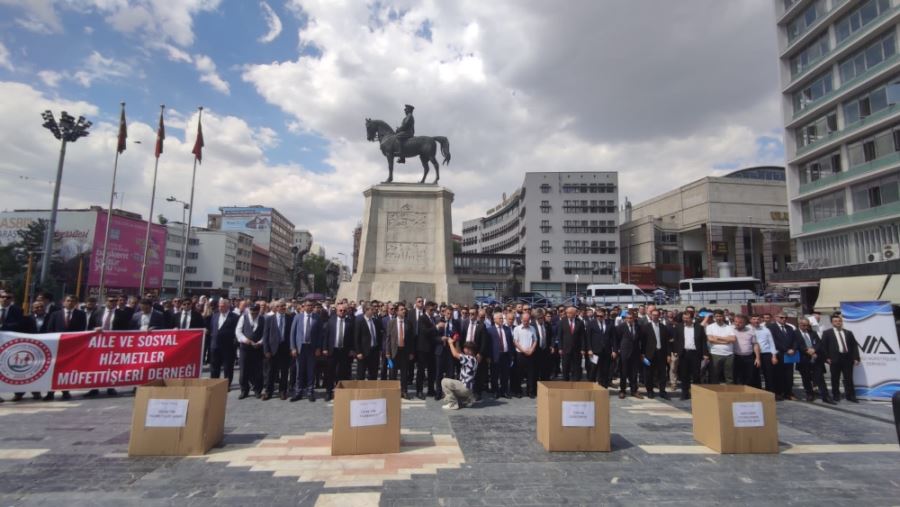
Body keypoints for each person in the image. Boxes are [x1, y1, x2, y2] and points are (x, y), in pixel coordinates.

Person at [44, 295, 86, 401]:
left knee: (67, 370)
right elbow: (50, 329)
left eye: (73, 301)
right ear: (63, 302)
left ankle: (65, 391)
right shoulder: (55, 314)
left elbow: (82, 330)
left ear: (76, 303)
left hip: (72, 348)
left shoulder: (81, 315)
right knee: (54, 369)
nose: (70, 303)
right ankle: (50, 393)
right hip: (57, 347)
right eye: (68, 300)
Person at [12, 300, 47, 402]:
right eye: (36, 307)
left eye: (41, 307)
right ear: (32, 309)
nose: (39, 309)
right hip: (29, 348)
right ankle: (19, 393)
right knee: (25, 370)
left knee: (39, 370)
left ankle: (36, 392)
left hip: (45, 348)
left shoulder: (50, 317)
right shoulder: (26, 319)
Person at [821, 314, 860, 403]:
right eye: (835, 321)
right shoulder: (827, 333)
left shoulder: (848, 332)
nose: (838, 322)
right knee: (835, 378)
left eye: (839, 321)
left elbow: (854, 346)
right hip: (835, 359)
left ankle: (851, 395)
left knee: (848, 378)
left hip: (847, 358)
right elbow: (823, 346)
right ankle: (836, 395)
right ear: (832, 323)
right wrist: (827, 358)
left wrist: (856, 358)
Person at [290, 299, 322, 402]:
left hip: (311, 348)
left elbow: (319, 335)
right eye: (307, 305)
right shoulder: (298, 317)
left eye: (311, 305)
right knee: (300, 371)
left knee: (310, 371)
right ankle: (298, 392)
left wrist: (318, 348)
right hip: (300, 348)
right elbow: (293, 333)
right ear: (303, 306)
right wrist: (293, 347)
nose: (309, 307)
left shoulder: (317, 318)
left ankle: (310, 392)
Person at [796, 317, 834, 404]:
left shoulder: (813, 333)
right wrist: (807, 350)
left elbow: (819, 343)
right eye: (803, 325)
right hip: (803, 360)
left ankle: (826, 396)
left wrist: (814, 350)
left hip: (816, 359)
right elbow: (797, 344)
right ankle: (810, 394)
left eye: (807, 325)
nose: (805, 327)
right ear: (799, 324)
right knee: (806, 378)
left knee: (820, 378)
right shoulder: (795, 333)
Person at [672, 311, 708, 400]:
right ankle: (685, 393)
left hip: (695, 353)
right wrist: (675, 351)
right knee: (684, 375)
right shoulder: (679, 326)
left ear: (692, 318)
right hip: (683, 353)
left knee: (696, 374)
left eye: (687, 318)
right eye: (684, 318)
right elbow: (676, 340)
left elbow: (703, 341)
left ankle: (697, 393)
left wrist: (705, 353)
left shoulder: (699, 327)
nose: (685, 320)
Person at [262, 300, 292, 400]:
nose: (283, 308)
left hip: (285, 348)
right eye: (280, 306)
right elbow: (265, 336)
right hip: (273, 349)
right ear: (276, 308)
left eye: (284, 306)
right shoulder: (269, 319)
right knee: (271, 372)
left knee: (284, 372)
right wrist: (266, 350)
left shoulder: (290, 318)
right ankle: (268, 391)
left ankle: (282, 391)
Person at [322, 303, 353, 402]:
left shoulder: (350, 322)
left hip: (344, 351)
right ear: (336, 311)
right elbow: (326, 336)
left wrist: (352, 349)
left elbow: (352, 338)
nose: (342, 312)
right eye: (340, 310)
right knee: (330, 372)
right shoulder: (330, 321)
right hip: (332, 350)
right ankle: (328, 391)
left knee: (342, 372)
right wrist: (325, 348)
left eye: (344, 311)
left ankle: (340, 391)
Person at [768, 313, 801, 401]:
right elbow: (774, 341)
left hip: (790, 355)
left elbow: (795, 340)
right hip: (779, 354)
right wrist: (786, 349)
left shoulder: (790, 328)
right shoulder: (771, 328)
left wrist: (793, 349)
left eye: (786, 318)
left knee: (789, 375)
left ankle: (788, 392)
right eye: (782, 317)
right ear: (776, 317)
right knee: (778, 375)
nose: (784, 319)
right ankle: (778, 392)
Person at [207, 299, 239, 389]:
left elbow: (237, 331)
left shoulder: (235, 317)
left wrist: (234, 343)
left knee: (228, 367)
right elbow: (212, 328)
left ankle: (226, 385)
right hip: (215, 346)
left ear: (227, 306)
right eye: (219, 306)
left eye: (222, 306)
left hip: (228, 347)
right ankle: (214, 383)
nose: (220, 308)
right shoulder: (215, 315)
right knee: (214, 366)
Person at [236, 304, 264, 399]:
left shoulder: (262, 319)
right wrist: (245, 340)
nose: (253, 314)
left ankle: (257, 390)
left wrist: (260, 342)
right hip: (245, 348)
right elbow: (238, 331)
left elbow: (265, 333)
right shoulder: (243, 317)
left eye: (256, 312)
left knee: (258, 370)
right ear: (249, 310)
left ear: (258, 311)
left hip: (258, 348)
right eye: (252, 312)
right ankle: (244, 390)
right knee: (244, 370)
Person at [441, 339, 479, 410]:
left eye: (466, 348)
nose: (464, 349)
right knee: (449, 394)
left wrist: (450, 343)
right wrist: (457, 342)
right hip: (469, 389)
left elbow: (455, 354)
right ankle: (468, 399)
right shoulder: (474, 359)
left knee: (444, 381)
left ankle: (453, 404)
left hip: (465, 388)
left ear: (470, 350)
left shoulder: (469, 359)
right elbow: (459, 353)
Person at [386, 304, 414, 399]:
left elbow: (411, 339)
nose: (404, 311)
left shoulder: (408, 323)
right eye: (401, 309)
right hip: (394, 351)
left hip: (404, 352)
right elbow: (388, 339)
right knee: (392, 372)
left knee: (404, 373)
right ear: (397, 311)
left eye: (404, 309)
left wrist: (411, 352)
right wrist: (387, 352)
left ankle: (404, 391)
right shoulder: (391, 323)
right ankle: (393, 391)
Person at [642, 309, 670, 399]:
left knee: (662, 374)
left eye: (656, 315)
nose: (655, 316)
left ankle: (662, 391)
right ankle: (650, 391)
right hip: (649, 354)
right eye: (653, 315)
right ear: (651, 316)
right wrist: (642, 354)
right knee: (649, 374)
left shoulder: (663, 327)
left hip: (661, 353)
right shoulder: (646, 327)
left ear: (659, 316)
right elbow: (643, 342)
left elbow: (667, 342)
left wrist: (668, 354)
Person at [614, 312, 644, 399]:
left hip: (635, 353)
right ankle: (622, 390)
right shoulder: (621, 327)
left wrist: (642, 352)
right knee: (623, 373)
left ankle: (634, 390)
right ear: (625, 318)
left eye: (631, 318)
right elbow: (616, 340)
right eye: (628, 318)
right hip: (624, 353)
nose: (630, 319)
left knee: (634, 373)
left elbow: (641, 340)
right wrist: (617, 350)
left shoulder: (638, 327)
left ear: (634, 318)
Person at [434, 306, 459, 401]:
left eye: (451, 314)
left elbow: (458, 334)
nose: (449, 315)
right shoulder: (438, 321)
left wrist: (456, 337)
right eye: (448, 313)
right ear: (444, 313)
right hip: (440, 350)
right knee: (439, 373)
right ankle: (438, 392)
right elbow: (433, 336)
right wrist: (440, 339)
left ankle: (449, 394)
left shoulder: (456, 322)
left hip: (450, 350)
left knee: (450, 373)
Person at [705, 310, 736, 384]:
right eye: (717, 316)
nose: (719, 318)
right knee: (714, 375)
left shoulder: (729, 327)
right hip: (715, 354)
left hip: (729, 354)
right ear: (714, 317)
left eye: (720, 316)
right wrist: (726, 340)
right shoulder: (710, 327)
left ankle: (729, 392)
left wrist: (718, 338)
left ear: (724, 317)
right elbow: (710, 340)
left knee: (729, 375)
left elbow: (733, 339)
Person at [586, 308, 614, 388]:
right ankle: (591, 386)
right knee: (593, 369)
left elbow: (613, 338)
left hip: (606, 351)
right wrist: (589, 349)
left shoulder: (610, 324)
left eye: (601, 316)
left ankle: (604, 386)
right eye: (597, 316)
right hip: (594, 351)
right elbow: (588, 338)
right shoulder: (591, 323)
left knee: (605, 369)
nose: (599, 317)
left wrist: (614, 350)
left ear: (604, 315)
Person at [487, 312, 513, 399]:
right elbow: (489, 345)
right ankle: (496, 391)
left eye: (502, 318)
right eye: (500, 318)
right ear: (494, 320)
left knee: (505, 375)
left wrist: (511, 355)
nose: (502, 320)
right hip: (495, 356)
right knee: (495, 375)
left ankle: (504, 391)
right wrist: (489, 357)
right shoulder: (490, 330)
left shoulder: (507, 329)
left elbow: (510, 342)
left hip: (505, 355)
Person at [354, 304, 382, 381]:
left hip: (374, 351)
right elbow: (356, 338)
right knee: (361, 373)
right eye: (372, 310)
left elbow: (379, 336)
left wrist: (379, 349)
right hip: (363, 352)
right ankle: (360, 391)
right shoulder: (359, 321)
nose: (374, 311)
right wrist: (358, 352)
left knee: (373, 373)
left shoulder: (376, 321)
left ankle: (371, 391)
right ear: (366, 310)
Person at [513, 311, 538, 398]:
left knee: (530, 374)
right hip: (520, 354)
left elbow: (535, 340)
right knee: (519, 374)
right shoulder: (517, 329)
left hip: (531, 354)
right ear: (521, 320)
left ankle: (530, 391)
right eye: (524, 320)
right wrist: (523, 350)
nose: (526, 322)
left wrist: (531, 349)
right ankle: (518, 391)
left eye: (527, 320)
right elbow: (515, 342)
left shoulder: (532, 328)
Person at [752, 315, 778, 392]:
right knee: (755, 375)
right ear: (751, 320)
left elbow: (771, 343)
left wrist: (774, 356)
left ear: (760, 320)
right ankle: (758, 392)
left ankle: (770, 392)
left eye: (758, 319)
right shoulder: (748, 329)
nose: (756, 321)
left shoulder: (766, 330)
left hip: (766, 353)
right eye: (754, 319)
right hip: (753, 354)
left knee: (769, 375)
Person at [558, 306, 585, 381]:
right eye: (567, 313)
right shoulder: (562, 322)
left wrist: (583, 349)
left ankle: (575, 383)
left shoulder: (579, 322)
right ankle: (566, 382)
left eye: (570, 313)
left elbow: (582, 337)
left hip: (577, 349)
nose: (568, 314)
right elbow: (559, 336)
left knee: (576, 367)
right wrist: (560, 348)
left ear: (575, 313)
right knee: (565, 367)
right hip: (565, 349)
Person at [732, 314, 759, 386]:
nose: (737, 324)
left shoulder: (751, 331)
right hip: (736, 357)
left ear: (745, 323)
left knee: (749, 377)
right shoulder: (731, 330)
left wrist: (757, 358)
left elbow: (755, 344)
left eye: (740, 322)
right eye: (736, 322)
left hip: (749, 357)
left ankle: (748, 393)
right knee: (737, 377)